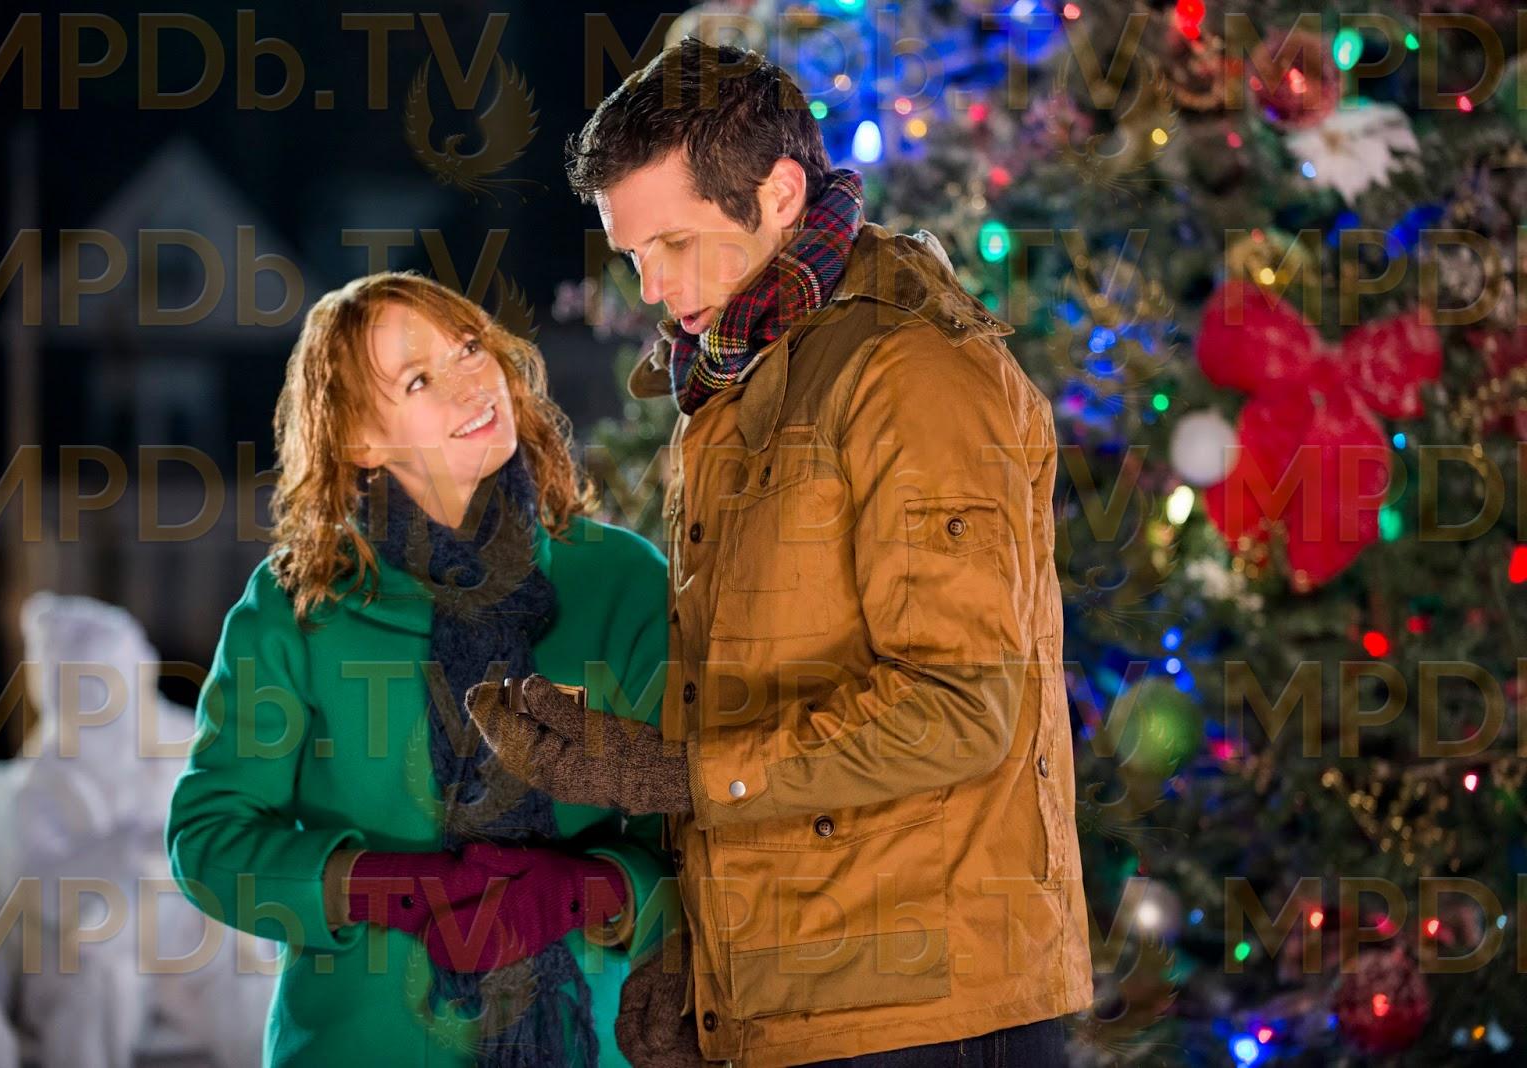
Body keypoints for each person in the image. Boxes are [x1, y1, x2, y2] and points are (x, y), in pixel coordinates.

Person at [469, 38, 1093, 1067]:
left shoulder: (911, 375)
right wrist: (707, 964)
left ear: (780, 194)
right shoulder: (738, 376)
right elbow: (761, 697)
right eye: (634, 256)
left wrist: (671, 773)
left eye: (675, 243)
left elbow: (958, 709)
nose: (654, 288)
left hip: (927, 1012)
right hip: (805, 999)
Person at [165, 271, 676, 1067]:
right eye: (417, 380)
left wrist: (588, 892)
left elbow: (695, 830)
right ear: (361, 440)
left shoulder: (622, 581)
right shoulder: (298, 607)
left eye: (470, 348)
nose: (471, 383)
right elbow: (209, 839)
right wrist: (381, 887)